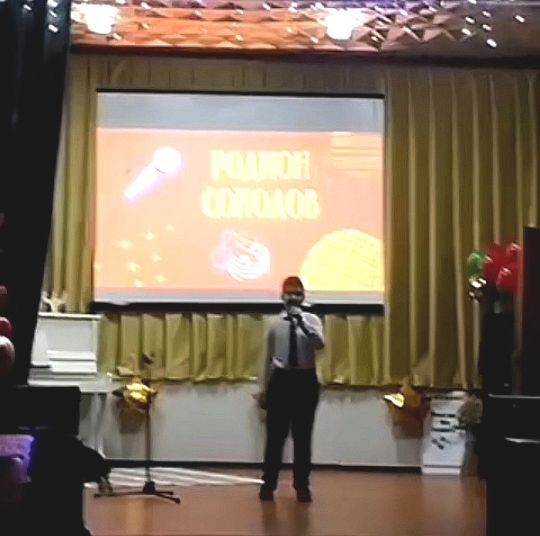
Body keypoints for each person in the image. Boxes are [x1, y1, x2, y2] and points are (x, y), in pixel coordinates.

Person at [258, 276, 325, 503]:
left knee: (303, 436)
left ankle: (302, 486)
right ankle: (268, 484)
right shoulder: (274, 323)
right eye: (289, 293)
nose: (293, 297)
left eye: (297, 293)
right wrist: (264, 389)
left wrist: (301, 323)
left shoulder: (312, 320)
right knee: (275, 437)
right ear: (282, 296)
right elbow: (268, 358)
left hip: (305, 380)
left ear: (303, 296)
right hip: (281, 380)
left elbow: (319, 344)